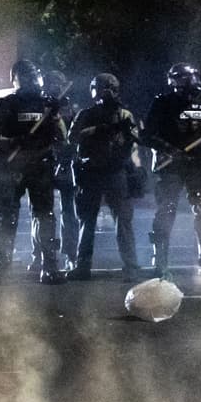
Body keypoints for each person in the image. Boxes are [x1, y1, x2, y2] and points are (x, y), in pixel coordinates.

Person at [0, 59, 66, 284]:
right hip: (14, 167)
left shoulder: (47, 105)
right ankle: (4, 267)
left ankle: (49, 266)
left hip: (41, 166)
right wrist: (15, 141)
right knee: (9, 217)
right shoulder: (6, 104)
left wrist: (55, 115)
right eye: (26, 75)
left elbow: (62, 137)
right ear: (15, 78)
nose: (32, 79)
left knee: (45, 216)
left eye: (34, 74)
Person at [142, 63, 201, 277]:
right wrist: (168, 149)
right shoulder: (163, 103)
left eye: (193, 77)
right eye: (186, 78)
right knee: (166, 210)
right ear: (175, 80)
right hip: (171, 167)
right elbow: (146, 135)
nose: (191, 82)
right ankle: (160, 261)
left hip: (198, 166)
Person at [67, 73, 140, 279]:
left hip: (115, 172)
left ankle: (131, 267)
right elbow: (73, 138)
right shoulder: (86, 114)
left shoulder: (124, 114)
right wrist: (101, 128)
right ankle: (83, 266)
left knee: (123, 222)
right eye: (101, 89)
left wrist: (125, 132)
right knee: (87, 221)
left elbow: (135, 141)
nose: (104, 94)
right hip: (91, 172)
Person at [35, 69, 78, 272]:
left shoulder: (69, 107)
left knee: (69, 212)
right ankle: (40, 255)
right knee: (42, 213)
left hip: (65, 163)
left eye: (58, 83)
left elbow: (70, 136)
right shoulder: (38, 104)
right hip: (43, 162)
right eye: (51, 83)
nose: (55, 87)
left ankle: (71, 255)